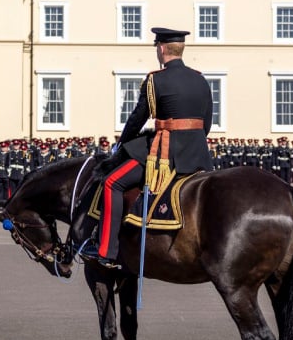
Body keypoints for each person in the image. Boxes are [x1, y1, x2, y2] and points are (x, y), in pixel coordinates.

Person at [77, 27, 213, 269]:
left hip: (165, 154)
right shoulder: (201, 79)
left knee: (111, 182)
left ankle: (106, 250)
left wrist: (122, 145)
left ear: (161, 49)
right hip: (199, 155)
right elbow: (207, 123)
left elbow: (137, 119)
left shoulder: (155, 80)